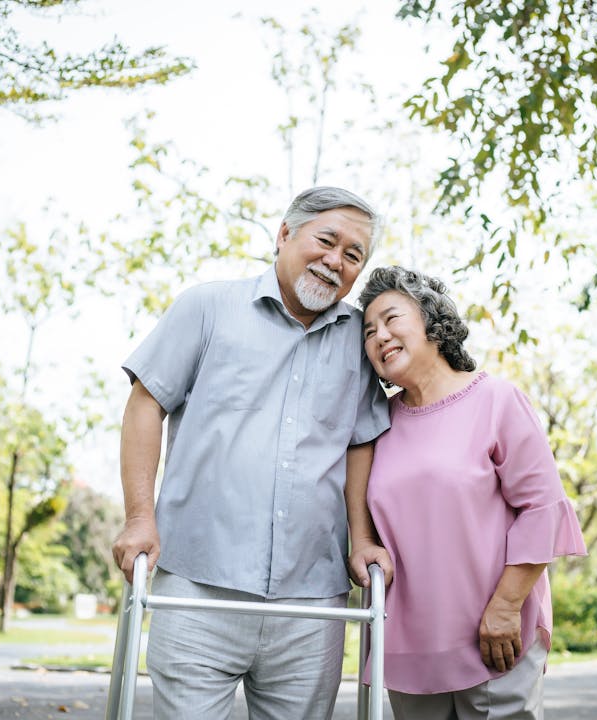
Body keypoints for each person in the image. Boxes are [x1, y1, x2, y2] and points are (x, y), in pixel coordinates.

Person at [111, 186, 393, 720]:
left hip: (313, 600)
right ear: (285, 234)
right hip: (197, 584)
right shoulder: (207, 307)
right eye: (326, 241)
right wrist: (138, 518)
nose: (335, 261)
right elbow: (145, 404)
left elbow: (361, 443)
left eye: (353, 255)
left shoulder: (361, 338)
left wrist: (362, 539)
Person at [358, 266, 587, 720]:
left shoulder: (496, 400)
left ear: (433, 323)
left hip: (493, 635)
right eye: (368, 331)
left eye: (391, 319)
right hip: (409, 643)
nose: (379, 336)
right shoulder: (376, 423)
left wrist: (505, 608)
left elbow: (542, 509)